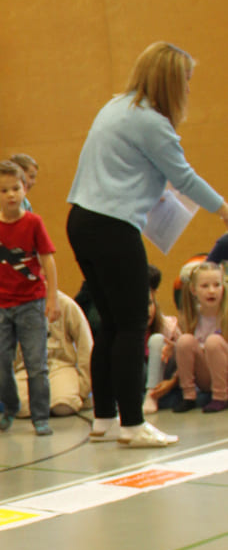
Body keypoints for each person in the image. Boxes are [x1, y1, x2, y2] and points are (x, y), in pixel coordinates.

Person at [67, 41, 228, 447]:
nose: (190, 89)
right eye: (187, 81)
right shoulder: (153, 123)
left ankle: (104, 418)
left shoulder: (115, 107)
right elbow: (185, 178)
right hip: (113, 227)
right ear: (172, 82)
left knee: (110, 323)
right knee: (133, 325)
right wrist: (224, 208)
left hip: (81, 221)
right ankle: (133, 423)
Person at [0, 160, 59, 435]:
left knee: (35, 363)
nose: (11, 195)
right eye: (5, 190)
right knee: (0, 361)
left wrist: (52, 298)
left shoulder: (33, 223)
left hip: (31, 303)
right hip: (2, 306)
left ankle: (40, 415)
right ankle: (10, 406)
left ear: (24, 189)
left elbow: (48, 261)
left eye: (16, 188)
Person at [9, 290, 93, 419]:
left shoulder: (66, 304)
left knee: (63, 406)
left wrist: (84, 387)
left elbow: (85, 345)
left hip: (61, 366)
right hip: (28, 369)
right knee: (20, 408)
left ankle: (61, 397)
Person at [172, 261, 228, 413]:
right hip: (206, 377)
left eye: (217, 285)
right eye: (205, 286)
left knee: (214, 341)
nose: (212, 291)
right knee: (184, 341)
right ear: (193, 290)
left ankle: (220, 397)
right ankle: (189, 397)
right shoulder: (191, 316)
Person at [143, 287, 179, 414]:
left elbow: (186, 364)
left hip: (168, 380)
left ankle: (151, 395)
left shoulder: (168, 327)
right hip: (141, 382)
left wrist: (172, 382)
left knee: (157, 339)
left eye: (149, 303)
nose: (147, 310)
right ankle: (150, 396)